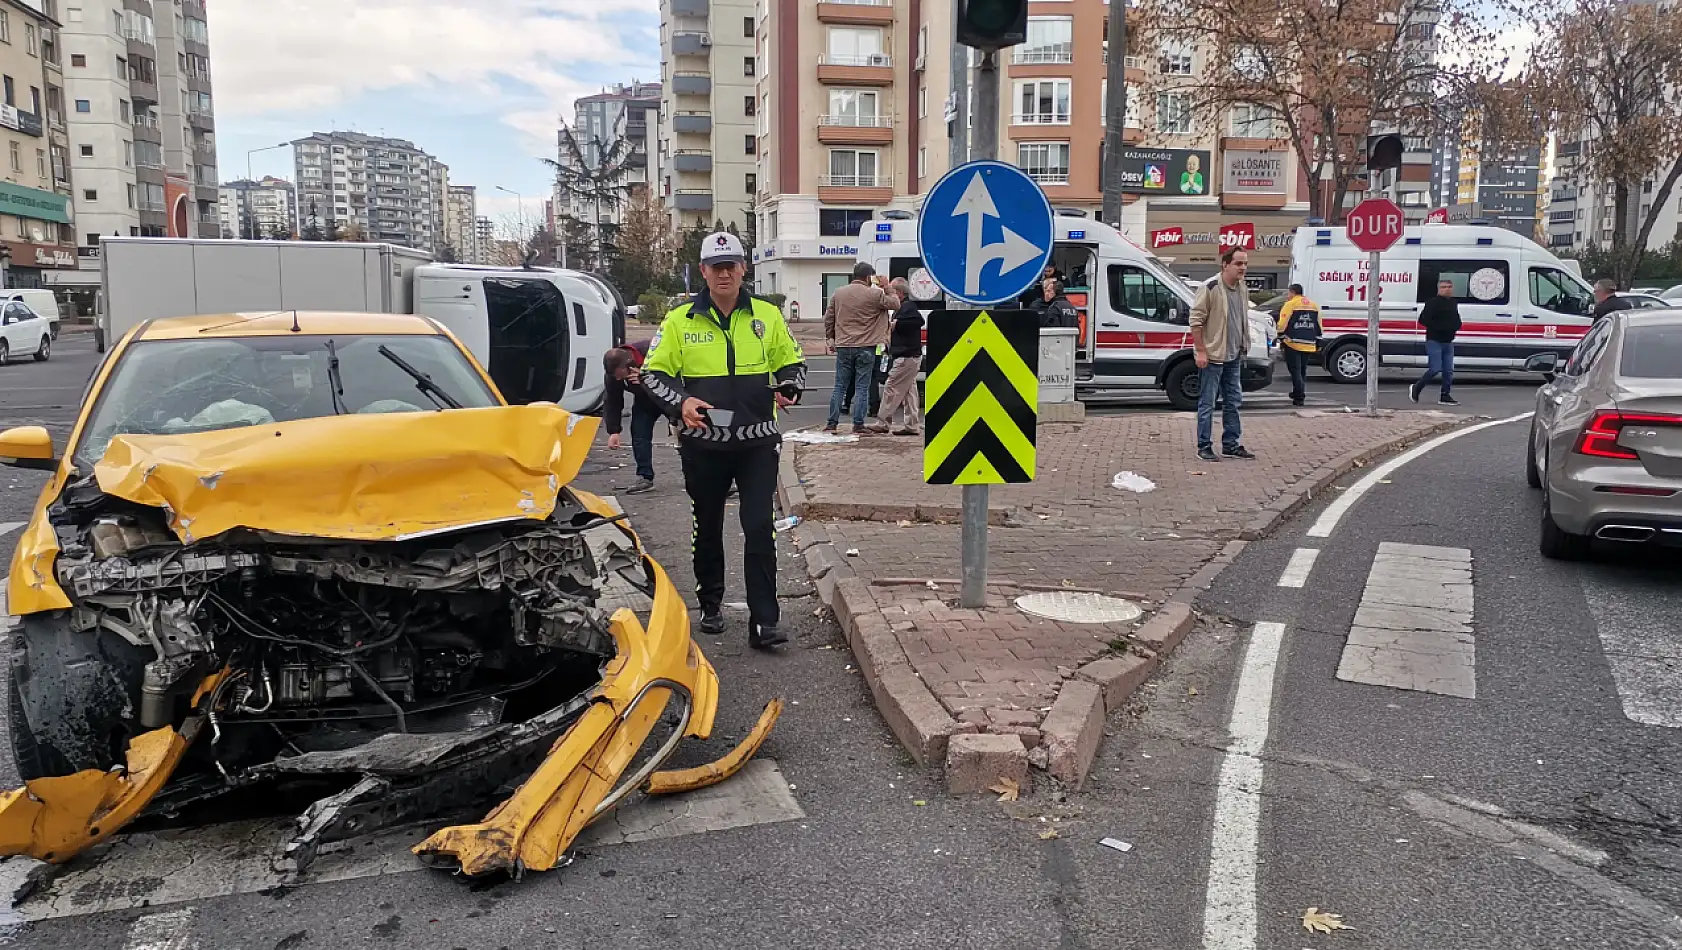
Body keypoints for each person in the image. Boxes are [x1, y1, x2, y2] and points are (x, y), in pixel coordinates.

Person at [644, 232, 806, 650]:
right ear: (703, 271)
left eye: (731, 264)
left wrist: (790, 384)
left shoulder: (766, 316)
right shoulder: (680, 320)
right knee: (708, 525)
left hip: (757, 443)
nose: (724, 273)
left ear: (743, 268)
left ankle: (765, 623)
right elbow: (652, 375)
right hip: (704, 446)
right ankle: (710, 603)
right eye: (716, 266)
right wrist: (680, 402)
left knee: (758, 526)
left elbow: (793, 360)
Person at [1189, 247, 1256, 462]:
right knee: (1207, 402)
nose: (1243, 268)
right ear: (1225, 264)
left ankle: (1231, 444)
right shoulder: (1210, 288)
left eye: (1245, 263)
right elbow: (1196, 321)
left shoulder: (1242, 287)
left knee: (1233, 401)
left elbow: (1241, 318)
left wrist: (1244, 344)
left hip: (1234, 354)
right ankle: (1204, 446)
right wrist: (1201, 350)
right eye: (1238, 263)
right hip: (1213, 355)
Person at [824, 263, 896, 433]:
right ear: (868, 277)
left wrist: (830, 337)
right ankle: (858, 424)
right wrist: (887, 287)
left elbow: (829, 317)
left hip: (843, 345)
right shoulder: (874, 293)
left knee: (840, 385)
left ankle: (832, 423)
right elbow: (895, 304)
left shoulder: (838, 293)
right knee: (862, 386)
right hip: (866, 346)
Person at [601, 339, 662, 494]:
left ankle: (706, 476)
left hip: (670, 398)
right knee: (639, 435)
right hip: (645, 403)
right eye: (615, 377)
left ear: (630, 365)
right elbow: (613, 401)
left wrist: (646, 381)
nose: (618, 380)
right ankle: (645, 477)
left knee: (688, 437)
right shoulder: (614, 374)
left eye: (621, 376)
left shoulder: (653, 351)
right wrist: (613, 431)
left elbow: (677, 376)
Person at [869, 277, 925, 436]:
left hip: (906, 356)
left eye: (892, 291)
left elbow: (916, 321)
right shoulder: (906, 308)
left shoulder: (907, 308)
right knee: (909, 391)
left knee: (891, 387)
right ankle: (912, 425)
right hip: (911, 355)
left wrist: (896, 325)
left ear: (899, 293)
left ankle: (883, 422)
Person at [1410, 279, 1461, 406]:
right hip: (1434, 340)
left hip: (1448, 341)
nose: (1447, 289)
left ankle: (1445, 395)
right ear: (1439, 289)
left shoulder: (1453, 303)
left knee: (1448, 370)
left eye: (1449, 287)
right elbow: (1423, 319)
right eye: (1444, 287)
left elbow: (1456, 317)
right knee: (1435, 368)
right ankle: (1417, 387)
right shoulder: (1433, 302)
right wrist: (1438, 327)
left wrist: (1456, 325)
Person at [1275, 283, 1322, 407]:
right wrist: (1318, 340)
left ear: (1292, 292)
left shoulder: (1290, 304)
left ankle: (1299, 397)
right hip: (1309, 343)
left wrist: (1278, 333)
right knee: (1302, 370)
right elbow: (1318, 324)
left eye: (1289, 293)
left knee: (1294, 370)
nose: (1288, 296)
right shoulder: (1313, 305)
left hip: (1293, 342)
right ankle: (1297, 392)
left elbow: (1283, 322)